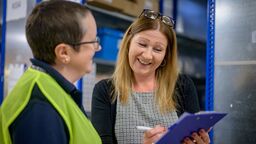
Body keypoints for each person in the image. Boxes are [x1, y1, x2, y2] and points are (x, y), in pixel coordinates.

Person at [91, 9, 210, 144]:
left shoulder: (183, 86)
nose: (147, 55)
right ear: (128, 43)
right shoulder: (105, 90)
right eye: (142, 44)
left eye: (158, 49)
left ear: (166, 55)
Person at [0, 1, 102, 144]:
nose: (97, 48)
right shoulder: (40, 108)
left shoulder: (54, 90)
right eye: (92, 41)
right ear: (64, 52)